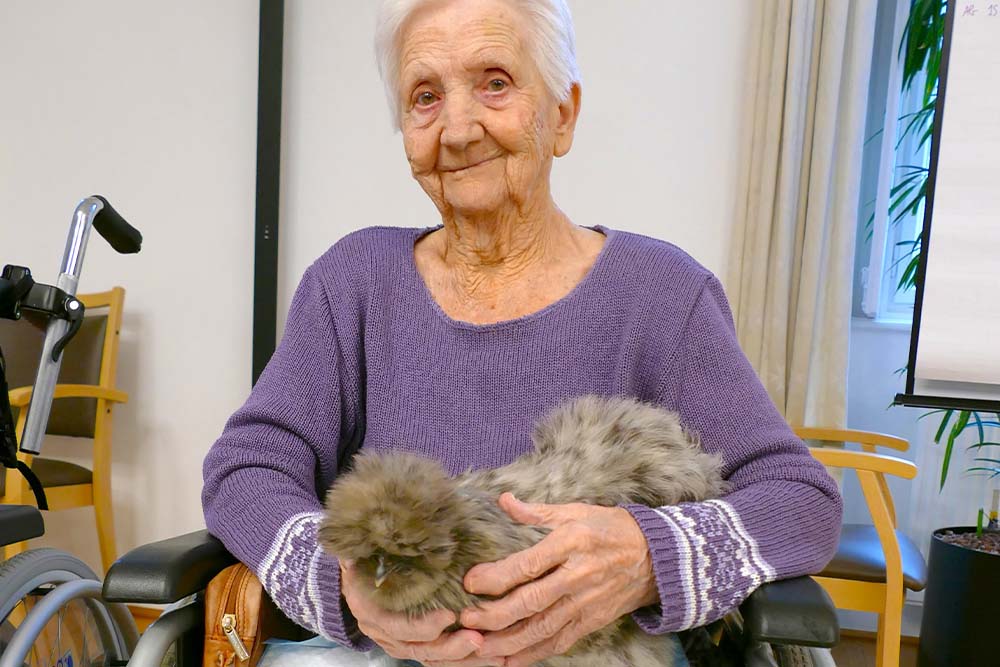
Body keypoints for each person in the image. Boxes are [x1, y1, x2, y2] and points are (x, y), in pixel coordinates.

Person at [202, 1, 842, 665]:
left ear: (561, 115)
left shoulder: (663, 293)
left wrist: (647, 554)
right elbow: (247, 465)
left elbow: (800, 498)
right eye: (425, 96)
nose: (456, 128)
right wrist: (340, 581)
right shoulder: (353, 282)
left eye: (495, 83)